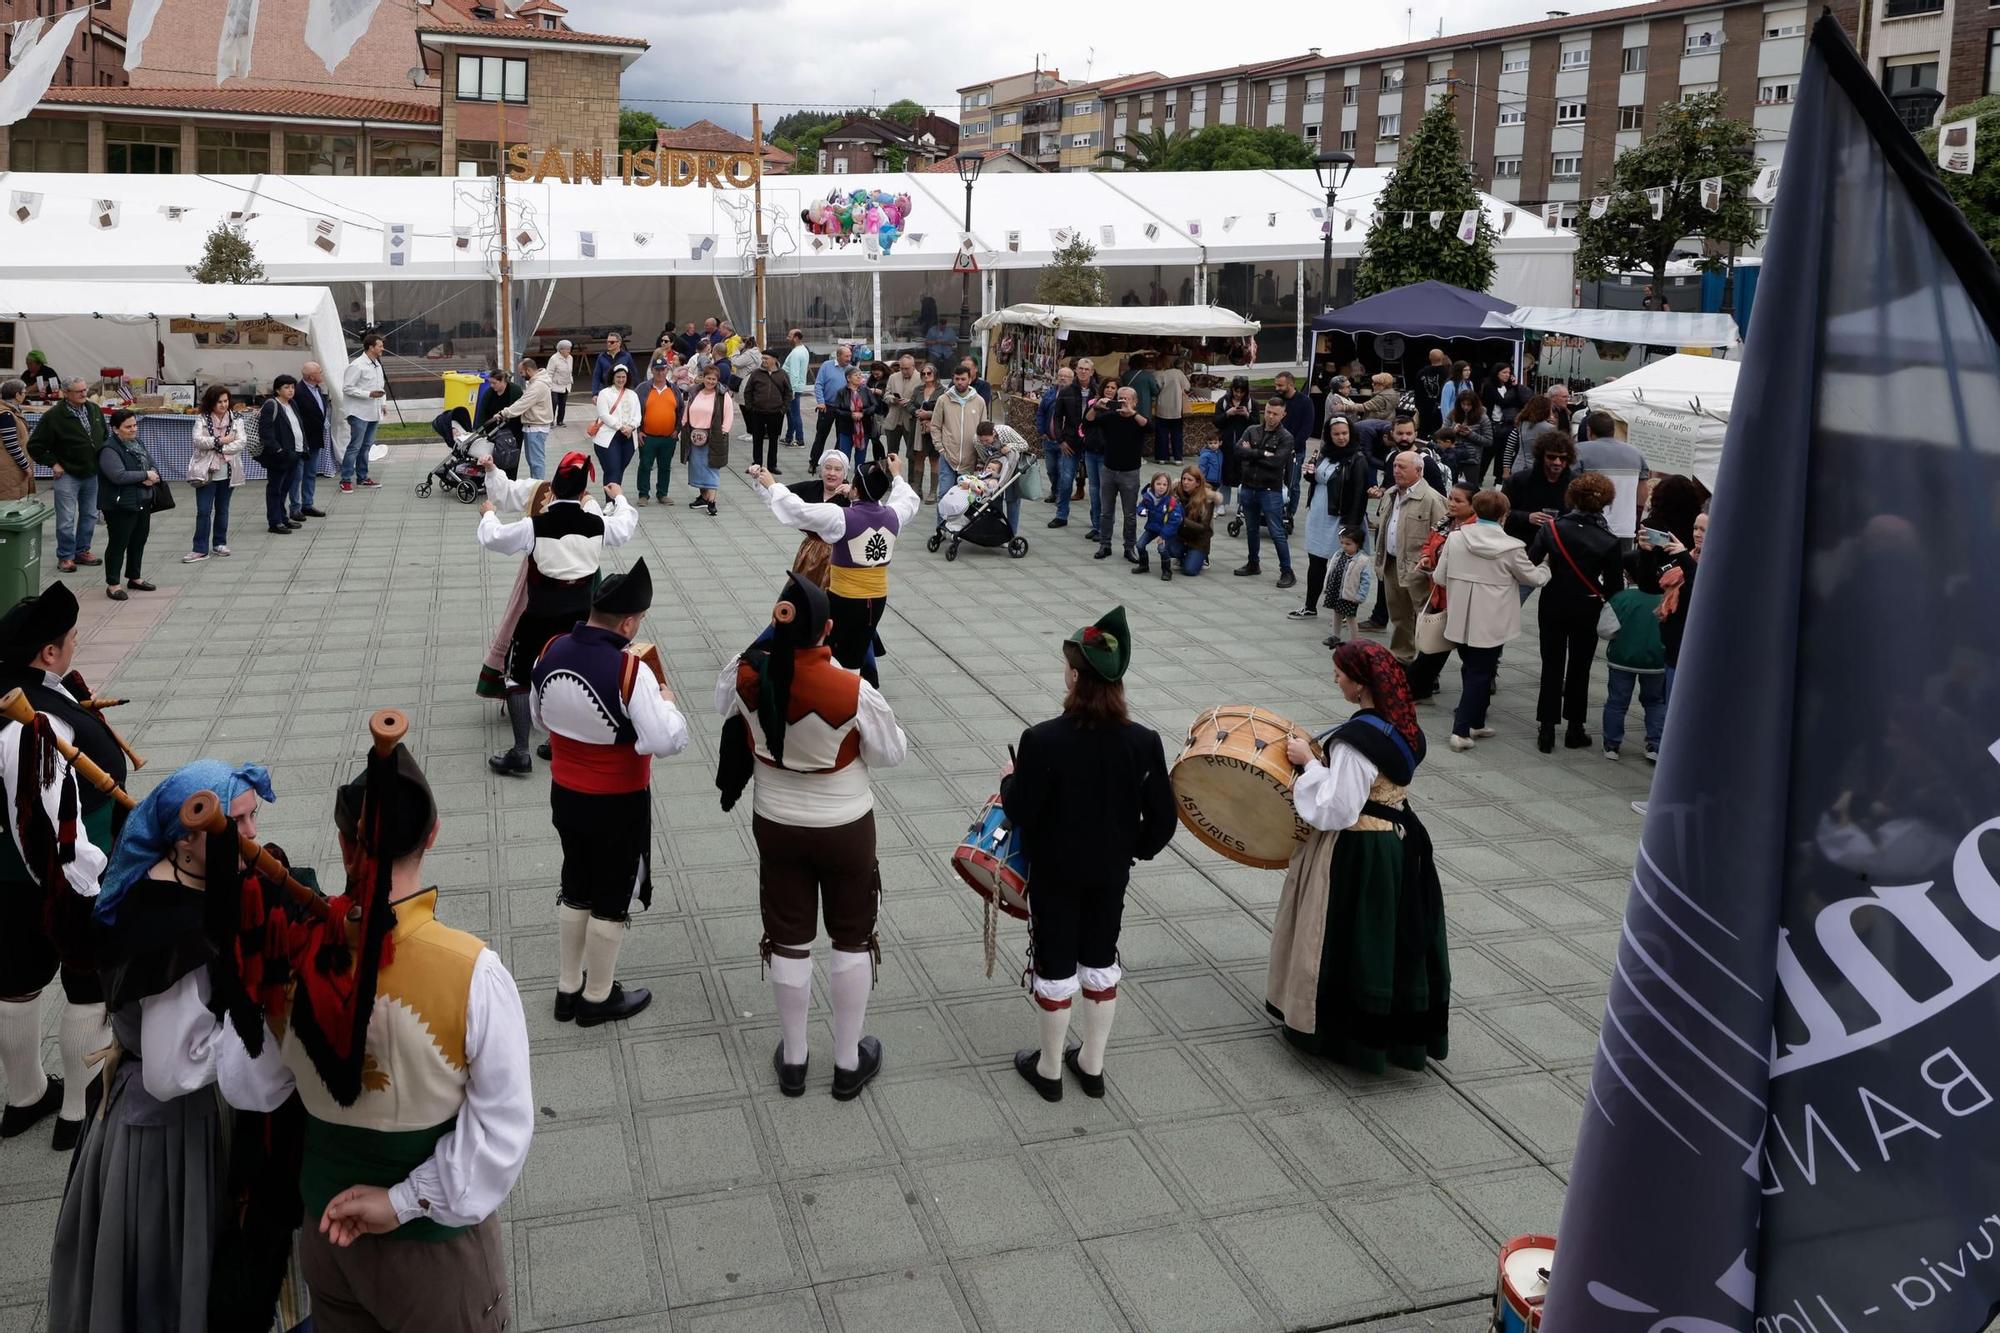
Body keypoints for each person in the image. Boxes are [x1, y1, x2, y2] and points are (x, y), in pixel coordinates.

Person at [215, 742, 531, 1332]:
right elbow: (502, 1132)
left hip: (328, 1235)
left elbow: (247, 1087)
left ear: (344, 842)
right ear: (432, 834)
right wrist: (401, 1201)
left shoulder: (293, 952)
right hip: (435, 1256)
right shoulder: (473, 972)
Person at [47, 759, 285, 1331]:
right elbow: (171, 1071)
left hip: (165, 1106)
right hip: (166, 1129)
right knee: (168, 1273)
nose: (251, 836)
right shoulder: (170, 930)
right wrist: (269, 1032)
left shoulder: (186, 880)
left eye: (253, 819)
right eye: (238, 822)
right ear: (186, 837)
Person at [714, 573, 908, 1099]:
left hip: (775, 823)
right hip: (844, 826)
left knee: (788, 934)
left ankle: (795, 1059)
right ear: (827, 628)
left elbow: (722, 706)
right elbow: (892, 753)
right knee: (851, 933)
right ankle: (847, 1062)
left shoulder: (745, 675)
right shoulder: (853, 688)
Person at [1001, 607, 1177, 1101]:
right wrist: (1129, 850)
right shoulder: (1144, 742)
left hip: (1054, 872)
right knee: (1100, 960)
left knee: (1055, 964)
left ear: (1075, 676)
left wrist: (1010, 781)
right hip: (1109, 873)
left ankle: (1051, 1071)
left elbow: (1021, 810)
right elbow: (1163, 821)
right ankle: (1092, 1067)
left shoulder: (1042, 740)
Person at [1267, 640, 1448, 1074]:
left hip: (1360, 848)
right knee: (1389, 939)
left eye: (1341, 674)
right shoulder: (1402, 722)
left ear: (1362, 684)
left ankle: (1343, 1035)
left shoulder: (1355, 741)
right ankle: (1392, 1032)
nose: (1336, 678)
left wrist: (1308, 765)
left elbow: (1338, 808)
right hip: (1399, 840)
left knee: (1349, 938)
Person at [530, 560, 690, 1026]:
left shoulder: (552, 648)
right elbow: (665, 741)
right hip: (619, 800)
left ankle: (567, 989)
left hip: (566, 792)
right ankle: (597, 998)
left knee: (575, 880)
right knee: (612, 893)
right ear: (628, 622)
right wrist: (667, 705)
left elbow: (542, 719)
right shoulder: (630, 669)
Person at [0, 583, 114, 1152]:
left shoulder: (19, 690)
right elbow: (50, 817)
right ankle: (77, 1110)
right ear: (47, 651)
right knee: (85, 983)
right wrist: (85, 881)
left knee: (16, 983)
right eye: (71, 638)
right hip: (55, 875)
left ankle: (23, 1099)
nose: (75, 644)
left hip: (8, 877)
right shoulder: (33, 725)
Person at [477, 452, 639, 774]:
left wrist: (489, 515)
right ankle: (556, 742)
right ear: (583, 493)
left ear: (552, 489)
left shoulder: (534, 526)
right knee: (569, 675)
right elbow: (625, 526)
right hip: (581, 618)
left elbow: (493, 538)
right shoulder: (598, 523)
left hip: (539, 615)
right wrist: (619, 498)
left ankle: (521, 752)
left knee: (518, 677)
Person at [749, 456, 919, 687]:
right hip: (877, 600)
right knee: (855, 655)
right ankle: (854, 699)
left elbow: (798, 511)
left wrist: (772, 484)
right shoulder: (893, 515)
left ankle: (831, 699)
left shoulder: (842, 517)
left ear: (855, 490)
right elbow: (908, 498)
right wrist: (897, 474)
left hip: (844, 600)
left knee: (830, 652)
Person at [1432, 491, 1548, 749]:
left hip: (1460, 617)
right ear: (1504, 515)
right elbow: (1535, 579)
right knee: (1481, 672)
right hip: (1492, 621)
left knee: (1471, 668)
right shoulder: (1513, 547)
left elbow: (1439, 577)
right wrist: (1547, 565)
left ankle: (1476, 722)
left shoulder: (1455, 539)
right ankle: (1461, 731)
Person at [1527, 471, 1621, 753]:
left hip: (1553, 601)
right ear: (1604, 501)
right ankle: (1575, 729)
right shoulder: (1609, 539)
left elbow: (1531, 561)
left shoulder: (1552, 529)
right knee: (1580, 667)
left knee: (1551, 664)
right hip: (1587, 605)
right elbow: (1615, 586)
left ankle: (1546, 729)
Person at [1625, 477, 1708, 700]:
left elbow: (1695, 586)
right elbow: (1652, 582)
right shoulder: (1687, 553)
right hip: (1672, 633)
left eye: (1702, 530)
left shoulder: (1705, 562)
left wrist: (1679, 555)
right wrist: (1646, 551)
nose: (1697, 534)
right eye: (1695, 529)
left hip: (1689, 638)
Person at [1371, 449, 1448, 665]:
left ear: (1419, 470)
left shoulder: (1432, 499)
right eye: (1394, 466)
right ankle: (1402, 658)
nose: (1396, 471)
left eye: (1402, 467)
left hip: (1419, 571)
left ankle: (1427, 668)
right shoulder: (1390, 494)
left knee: (1424, 620)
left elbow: (1442, 539)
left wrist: (1433, 569)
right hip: (1392, 564)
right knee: (1399, 616)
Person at [1403, 482, 1478, 701]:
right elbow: (1429, 543)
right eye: (1451, 498)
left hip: (1463, 600)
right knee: (1433, 647)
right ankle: (1418, 690)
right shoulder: (1446, 521)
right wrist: (1427, 557)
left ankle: (1475, 704)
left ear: (1473, 505)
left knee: (1469, 657)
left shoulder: (1475, 530)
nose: (1451, 504)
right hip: (1440, 595)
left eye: (1458, 500)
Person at [1291, 415, 1371, 620]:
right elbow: (1320, 478)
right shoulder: (1324, 454)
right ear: (1329, 435)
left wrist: (1351, 525)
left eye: (1344, 433)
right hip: (1319, 515)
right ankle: (1310, 606)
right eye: (1336, 434)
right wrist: (1309, 474)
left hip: (1340, 517)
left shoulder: (1358, 458)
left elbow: (1359, 494)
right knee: (1316, 561)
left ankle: (1344, 609)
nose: (1341, 438)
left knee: (1343, 565)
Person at [27, 378, 105, 573]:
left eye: (85, 390)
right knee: (66, 518)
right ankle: (66, 556)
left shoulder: (94, 410)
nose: (83, 394)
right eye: (78, 391)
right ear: (65, 393)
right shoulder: (54, 416)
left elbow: (104, 435)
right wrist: (53, 463)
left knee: (90, 514)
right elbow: (35, 445)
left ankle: (82, 550)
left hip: (92, 472)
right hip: (68, 474)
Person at [1231, 399, 1298, 589]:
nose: (1270, 417)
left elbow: (1277, 462)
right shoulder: (1252, 430)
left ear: (1283, 415)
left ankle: (1287, 571)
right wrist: (1262, 454)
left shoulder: (1285, 436)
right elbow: (1237, 450)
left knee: (1276, 531)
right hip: (1249, 486)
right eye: (1268, 412)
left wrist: (1251, 452)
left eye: (1275, 414)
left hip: (1270, 489)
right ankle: (1253, 563)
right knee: (1251, 528)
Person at [95, 409, 160, 601]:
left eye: (135, 425)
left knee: (139, 539)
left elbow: (151, 463)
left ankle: (134, 577)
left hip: (142, 500)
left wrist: (153, 475)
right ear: (115, 429)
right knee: (118, 543)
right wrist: (145, 476)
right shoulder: (109, 449)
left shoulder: (137, 443)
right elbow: (118, 475)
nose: (133, 429)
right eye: (128, 427)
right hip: (119, 504)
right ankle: (113, 584)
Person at [1600, 578, 1666, 762]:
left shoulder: (1621, 598)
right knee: (1655, 702)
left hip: (1622, 658)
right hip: (1656, 661)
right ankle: (1655, 744)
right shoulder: (1665, 598)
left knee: (1617, 702)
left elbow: (1605, 630)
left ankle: (1611, 744)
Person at [1574, 409, 1650, 549]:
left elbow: (1572, 489)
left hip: (1589, 527)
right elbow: (1642, 493)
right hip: (1625, 528)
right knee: (1619, 568)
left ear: (1589, 430)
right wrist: (1636, 519)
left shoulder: (1579, 451)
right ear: (1613, 430)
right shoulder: (1636, 453)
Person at [186, 385, 245, 562]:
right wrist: (221, 440)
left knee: (223, 509)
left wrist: (219, 446)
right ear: (211, 403)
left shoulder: (236, 419)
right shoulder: (202, 419)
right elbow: (198, 441)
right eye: (219, 401)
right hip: (206, 472)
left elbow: (241, 442)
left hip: (228, 471)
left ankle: (220, 542)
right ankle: (200, 548)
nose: (223, 405)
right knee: (203, 510)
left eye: (226, 401)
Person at [1089, 385, 1147, 563]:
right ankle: (1105, 545)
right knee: (1106, 512)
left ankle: (1129, 547)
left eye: (1127, 399)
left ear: (1135, 402)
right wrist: (1096, 406)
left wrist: (1132, 413)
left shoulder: (1138, 420)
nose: (1122, 401)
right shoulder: (1110, 417)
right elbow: (1089, 421)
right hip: (1109, 470)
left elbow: (1150, 427)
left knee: (1129, 514)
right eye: (1120, 398)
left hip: (1130, 472)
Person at [1499, 430, 1578, 554]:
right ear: (1541, 456)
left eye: (1563, 458)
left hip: (1562, 546)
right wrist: (1527, 517)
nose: (1557, 462)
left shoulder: (1576, 483)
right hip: (1522, 544)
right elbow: (1500, 512)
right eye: (1551, 457)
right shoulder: (1518, 480)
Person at [1052, 358, 1103, 538]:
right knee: (1066, 479)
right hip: (1071, 441)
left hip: (1092, 443)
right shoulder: (1066, 391)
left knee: (1095, 486)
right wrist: (1060, 440)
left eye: (1086, 369)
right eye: (1080, 369)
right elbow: (1057, 417)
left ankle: (1096, 521)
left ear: (1091, 371)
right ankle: (1061, 514)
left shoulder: (1099, 391)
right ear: (1076, 370)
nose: (1083, 372)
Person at [682, 364, 734, 517]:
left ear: (717, 380)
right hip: (694, 436)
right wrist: (684, 424)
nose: (711, 381)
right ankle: (703, 497)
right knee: (697, 469)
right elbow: (688, 410)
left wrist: (723, 432)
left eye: (714, 379)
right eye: (708, 378)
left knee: (712, 468)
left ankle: (712, 502)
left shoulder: (722, 395)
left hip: (713, 436)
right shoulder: (695, 392)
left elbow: (728, 415)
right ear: (703, 378)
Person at [258, 374, 305, 538]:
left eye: (292, 387)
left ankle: (283, 517)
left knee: (285, 488)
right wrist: (278, 451)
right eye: (286, 387)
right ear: (278, 389)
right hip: (279, 456)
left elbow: (298, 426)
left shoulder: (293, 404)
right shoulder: (271, 405)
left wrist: (303, 447)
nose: (291, 390)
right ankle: (274, 521)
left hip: (295, 453)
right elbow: (266, 432)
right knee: (275, 489)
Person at [493, 356, 555, 480]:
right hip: (534, 427)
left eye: (521, 372)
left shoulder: (538, 385)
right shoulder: (537, 382)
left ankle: (538, 488)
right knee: (533, 461)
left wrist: (504, 413)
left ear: (528, 370)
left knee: (536, 462)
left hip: (536, 428)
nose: (521, 375)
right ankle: (535, 485)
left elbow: (522, 403)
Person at [339, 332, 387, 493]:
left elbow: (380, 386)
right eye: (379, 346)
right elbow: (347, 388)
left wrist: (382, 403)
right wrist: (368, 394)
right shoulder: (357, 365)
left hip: (373, 412)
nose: (382, 348)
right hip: (358, 412)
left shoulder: (377, 364)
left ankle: (362, 477)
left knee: (366, 446)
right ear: (370, 347)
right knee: (355, 446)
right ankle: (345, 479)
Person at [930, 364, 986, 496]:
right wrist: (940, 448)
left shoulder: (979, 401)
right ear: (953, 379)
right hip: (948, 456)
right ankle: (942, 518)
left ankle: (963, 518)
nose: (960, 382)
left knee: (965, 496)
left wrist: (980, 455)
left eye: (963, 379)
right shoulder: (943, 400)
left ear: (970, 380)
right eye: (957, 379)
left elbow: (983, 428)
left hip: (970, 457)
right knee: (944, 493)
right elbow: (935, 425)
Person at [631, 357, 681, 506]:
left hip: (668, 437)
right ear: (652, 371)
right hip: (648, 437)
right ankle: (643, 495)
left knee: (665, 466)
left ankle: (662, 494)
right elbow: (635, 411)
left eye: (663, 369)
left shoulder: (674, 389)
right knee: (645, 465)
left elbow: (680, 411)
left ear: (667, 370)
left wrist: (677, 430)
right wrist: (638, 430)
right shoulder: (643, 388)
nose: (660, 373)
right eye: (657, 370)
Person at [290, 361, 333, 522]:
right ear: (311, 376)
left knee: (310, 473)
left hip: (315, 439)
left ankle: (307, 504)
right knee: (297, 475)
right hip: (301, 441)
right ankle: (295, 507)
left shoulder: (318, 389)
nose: (322, 374)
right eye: (319, 372)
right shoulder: (298, 391)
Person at [1275, 371, 1316, 525]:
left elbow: (1306, 428)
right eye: (1276, 384)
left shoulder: (1305, 402)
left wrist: (1292, 446)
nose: (1277, 388)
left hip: (1295, 450)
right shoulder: (1278, 400)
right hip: (1276, 447)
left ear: (1290, 385)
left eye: (1280, 385)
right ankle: (1276, 509)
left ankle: (1289, 513)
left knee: (1292, 482)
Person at [1322, 527, 1374, 648]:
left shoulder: (1362, 560)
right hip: (1336, 590)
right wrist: (1327, 585)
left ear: (1358, 544)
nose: (1344, 546)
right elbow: (1331, 570)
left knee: (1350, 617)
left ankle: (1355, 641)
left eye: (1348, 544)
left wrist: (1360, 596)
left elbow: (1365, 581)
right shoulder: (1339, 555)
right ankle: (1335, 636)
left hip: (1350, 594)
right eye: (1342, 543)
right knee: (1336, 613)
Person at [591, 362, 641, 487]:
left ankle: (616, 499)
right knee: (612, 469)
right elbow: (604, 415)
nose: (621, 379)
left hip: (628, 437)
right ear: (613, 377)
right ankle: (610, 502)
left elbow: (637, 415)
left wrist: (631, 427)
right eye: (618, 377)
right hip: (609, 436)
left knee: (619, 470)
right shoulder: (604, 393)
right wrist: (621, 427)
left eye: (623, 377)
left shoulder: (632, 394)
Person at [740, 351, 791, 473]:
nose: (763, 361)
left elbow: (788, 393)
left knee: (774, 440)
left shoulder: (782, 374)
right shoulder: (756, 374)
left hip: (776, 413)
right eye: (763, 358)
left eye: (766, 358)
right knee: (757, 439)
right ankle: (757, 464)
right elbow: (748, 391)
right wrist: (750, 407)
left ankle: (772, 465)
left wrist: (783, 409)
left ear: (774, 360)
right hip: (758, 412)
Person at [1129, 471, 1182, 580]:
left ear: (1168, 486)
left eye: (1164, 484)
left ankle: (1167, 571)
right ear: (1153, 484)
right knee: (1139, 545)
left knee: (1162, 549)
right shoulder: (1148, 496)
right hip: (1152, 527)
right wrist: (1141, 511)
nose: (1161, 487)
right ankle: (1144, 565)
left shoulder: (1171, 501)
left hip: (1165, 530)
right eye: (1158, 484)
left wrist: (1163, 535)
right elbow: (1140, 506)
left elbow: (1175, 520)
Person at [1039, 366, 1075, 527]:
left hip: (1066, 443)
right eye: (1060, 376)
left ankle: (1061, 498)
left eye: (1066, 376)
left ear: (1072, 379)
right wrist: (1041, 430)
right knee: (1051, 469)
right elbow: (1040, 412)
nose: (1062, 379)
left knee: (1063, 471)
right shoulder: (1050, 394)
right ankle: (1055, 491)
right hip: (1049, 439)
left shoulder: (1074, 395)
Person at [1213, 375, 1255, 510]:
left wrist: (1247, 415)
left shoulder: (1251, 402)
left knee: (1243, 473)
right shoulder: (1223, 401)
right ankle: (1223, 503)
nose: (1238, 395)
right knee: (1225, 472)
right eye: (1236, 391)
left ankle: (1241, 504)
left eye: (1242, 392)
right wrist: (1227, 414)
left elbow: (1257, 424)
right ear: (1232, 390)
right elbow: (1216, 421)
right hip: (1226, 443)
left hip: (1244, 444)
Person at [810, 343, 853, 466]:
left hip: (843, 408)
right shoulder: (826, 366)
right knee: (821, 435)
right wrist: (821, 402)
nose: (849, 359)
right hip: (827, 406)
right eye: (846, 356)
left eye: (850, 356)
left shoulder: (850, 369)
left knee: (841, 437)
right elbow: (818, 385)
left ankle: (836, 462)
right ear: (838, 356)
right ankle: (814, 462)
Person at [830, 366, 881, 468]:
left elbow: (875, 406)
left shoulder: (866, 390)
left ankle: (858, 477)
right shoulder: (841, 392)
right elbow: (836, 410)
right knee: (844, 456)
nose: (859, 377)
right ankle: (843, 479)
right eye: (856, 375)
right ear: (848, 378)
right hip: (846, 428)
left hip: (864, 428)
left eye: (860, 375)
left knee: (861, 456)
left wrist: (863, 413)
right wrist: (850, 415)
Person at [1170, 465, 1216, 577]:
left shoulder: (1207, 499)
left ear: (1198, 483)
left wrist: (1183, 520)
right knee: (1167, 549)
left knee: (1189, 570)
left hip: (1199, 539)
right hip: (1182, 535)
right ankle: (1183, 555)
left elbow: (1203, 528)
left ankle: (1202, 557)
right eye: (1183, 479)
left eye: (1190, 480)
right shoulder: (1177, 492)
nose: (1185, 482)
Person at [1480, 365, 1524, 479]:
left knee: (1503, 453)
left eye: (1509, 373)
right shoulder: (1490, 387)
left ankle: (1498, 479)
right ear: (1497, 373)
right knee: (1488, 452)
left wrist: (1515, 386)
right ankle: (1480, 477)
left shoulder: (1508, 387)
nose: (1507, 375)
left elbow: (1520, 400)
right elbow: (1501, 401)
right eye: (1504, 372)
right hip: (1492, 423)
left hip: (1505, 423)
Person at [1498, 393, 1555, 478]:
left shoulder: (1521, 426)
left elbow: (1509, 450)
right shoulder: (1550, 428)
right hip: (1538, 470)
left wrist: (1506, 471)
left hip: (1519, 467)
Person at [881, 353, 923, 458]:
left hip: (910, 420)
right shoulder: (893, 377)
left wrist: (909, 402)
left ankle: (912, 475)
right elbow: (886, 395)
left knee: (912, 454)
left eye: (907, 369)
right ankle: (890, 474)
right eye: (902, 368)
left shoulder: (921, 378)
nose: (904, 371)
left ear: (913, 366)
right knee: (891, 454)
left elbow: (923, 400)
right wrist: (893, 399)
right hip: (893, 420)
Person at [1152, 354, 1191, 463]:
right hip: (1176, 408)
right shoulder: (1178, 373)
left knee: (1161, 434)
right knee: (1177, 434)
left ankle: (1162, 457)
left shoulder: (1156, 374)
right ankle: (1178, 458)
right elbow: (1187, 386)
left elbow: (1156, 390)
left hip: (1162, 408)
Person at [0, 379, 30, 500]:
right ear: (17, 395)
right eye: (24, 392)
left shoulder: (8, 411)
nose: (25, 394)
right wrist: (26, 466)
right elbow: (12, 444)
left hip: (8, 466)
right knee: (8, 504)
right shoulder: (6, 415)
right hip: (8, 468)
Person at [782, 328, 811, 446]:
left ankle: (799, 440)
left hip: (793, 387)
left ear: (796, 338)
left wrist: (791, 391)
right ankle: (789, 437)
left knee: (794, 414)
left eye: (789, 336)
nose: (787, 338)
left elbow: (794, 373)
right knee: (791, 413)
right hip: (796, 386)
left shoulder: (796, 353)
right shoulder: (803, 350)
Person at [591, 331, 637, 395]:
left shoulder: (626, 356)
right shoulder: (601, 357)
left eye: (612, 342)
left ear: (619, 343)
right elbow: (596, 376)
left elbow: (633, 374)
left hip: (622, 390)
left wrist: (637, 390)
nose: (609, 344)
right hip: (606, 389)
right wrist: (595, 393)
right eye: (607, 342)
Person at [547, 338, 576, 427]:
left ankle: (560, 421)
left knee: (562, 404)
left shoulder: (570, 358)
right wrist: (548, 385)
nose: (569, 351)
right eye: (567, 349)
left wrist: (570, 380)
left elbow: (569, 371)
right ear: (560, 349)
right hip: (555, 385)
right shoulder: (554, 359)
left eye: (569, 348)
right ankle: (551, 421)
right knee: (554, 403)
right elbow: (549, 373)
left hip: (566, 384)